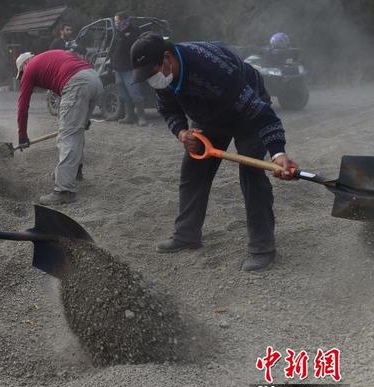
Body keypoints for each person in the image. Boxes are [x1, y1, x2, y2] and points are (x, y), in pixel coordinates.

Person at [130, 32, 299, 271]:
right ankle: (186, 235)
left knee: (251, 173)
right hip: (208, 116)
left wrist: (278, 153)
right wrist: (181, 133)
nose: (150, 80)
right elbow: (168, 110)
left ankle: (263, 248)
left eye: (151, 73)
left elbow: (261, 114)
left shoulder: (212, 70)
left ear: (167, 58)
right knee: (193, 169)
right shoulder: (164, 78)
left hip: (247, 112)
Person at [15, 50, 103, 205]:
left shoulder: (29, 69)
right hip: (94, 79)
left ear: (23, 67)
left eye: (21, 75)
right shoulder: (49, 58)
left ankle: (64, 191)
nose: (23, 78)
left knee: (67, 136)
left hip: (77, 83)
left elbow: (23, 106)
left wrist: (22, 135)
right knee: (77, 131)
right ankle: (75, 172)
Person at [110, 11, 147, 126]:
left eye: (117, 21)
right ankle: (129, 116)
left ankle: (141, 117)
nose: (116, 23)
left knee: (135, 92)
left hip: (130, 67)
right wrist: (112, 62)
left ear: (124, 21)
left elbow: (139, 47)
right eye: (115, 21)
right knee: (123, 93)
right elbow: (113, 47)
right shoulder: (117, 32)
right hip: (118, 68)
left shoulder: (134, 30)